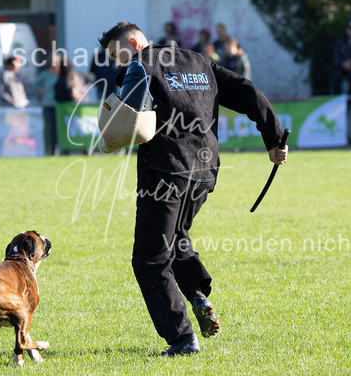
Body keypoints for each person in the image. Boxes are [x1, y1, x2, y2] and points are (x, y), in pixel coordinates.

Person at [98, 21, 286, 357]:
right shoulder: (200, 63)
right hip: (204, 170)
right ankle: (199, 296)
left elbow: (125, 113)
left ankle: (182, 339)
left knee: (149, 260)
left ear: (132, 42)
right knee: (175, 237)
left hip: (165, 170)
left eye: (116, 55)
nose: (117, 64)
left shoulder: (141, 63)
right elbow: (247, 91)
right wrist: (273, 138)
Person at [34, 55, 61, 154]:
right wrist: (41, 90)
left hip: (60, 105)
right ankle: (53, 149)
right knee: (52, 128)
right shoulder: (46, 74)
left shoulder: (61, 74)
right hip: (49, 104)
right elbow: (35, 82)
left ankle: (62, 148)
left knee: (61, 128)